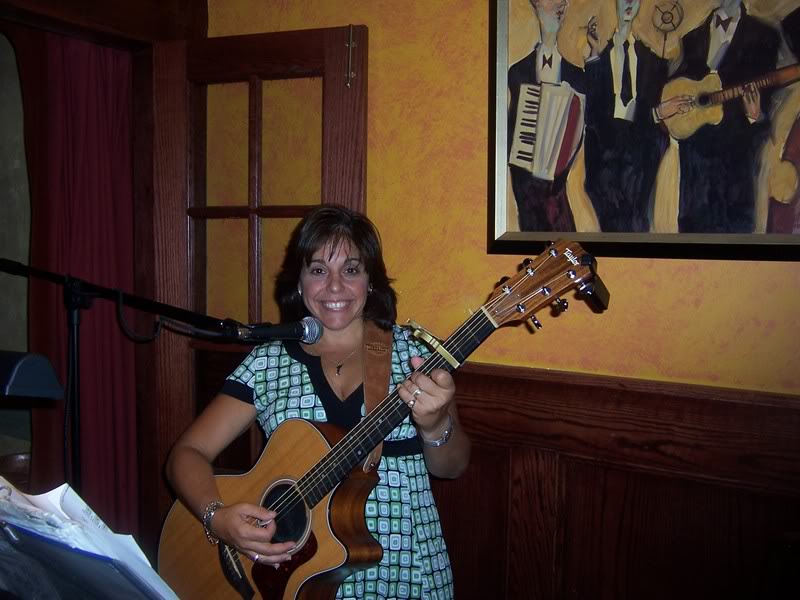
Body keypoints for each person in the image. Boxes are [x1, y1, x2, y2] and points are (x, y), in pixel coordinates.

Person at [166, 205, 471, 599]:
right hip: (295, 580)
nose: (334, 287)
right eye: (317, 270)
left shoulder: (412, 357)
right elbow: (186, 453)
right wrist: (217, 517)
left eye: (350, 270)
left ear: (371, 282)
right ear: (299, 283)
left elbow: (453, 466)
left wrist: (434, 426)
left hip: (406, 570)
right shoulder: (268, 362)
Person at [670, 0, 780, 233]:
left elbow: (767, 113)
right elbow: (680, 97)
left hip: (735, 173)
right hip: (695, 176)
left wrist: (756, 116)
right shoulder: (692, 39)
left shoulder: (764, 37)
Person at [582, 0, 692, 232]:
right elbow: (592, 115)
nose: (630, 3)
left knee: (636, 227)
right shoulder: (598, 59)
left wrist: (657, 115)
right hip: (605, 164)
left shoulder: (654, 62)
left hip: (639, 165)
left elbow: (654, 127)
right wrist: (593, 55)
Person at [507, 0, 585, 231]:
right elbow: (509, 133)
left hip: (557, 188)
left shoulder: (577, 75)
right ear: (536, 7)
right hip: (526, 188)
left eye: (563, 2)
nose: (561, 5)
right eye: (552, 1)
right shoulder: (517, 72)